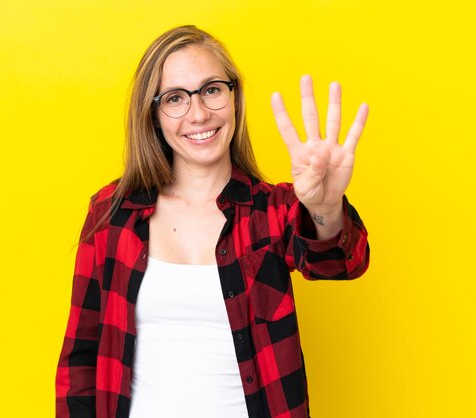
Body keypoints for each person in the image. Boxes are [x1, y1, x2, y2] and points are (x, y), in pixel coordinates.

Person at [56, 25, 370, 418]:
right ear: (153, 115)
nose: (199, 113)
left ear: (234, 96)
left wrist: (325, 206)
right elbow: (81, 356)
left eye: (211, 90)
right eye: (175, 98)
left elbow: (341, 263)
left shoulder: (273, 210)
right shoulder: (112, 212)